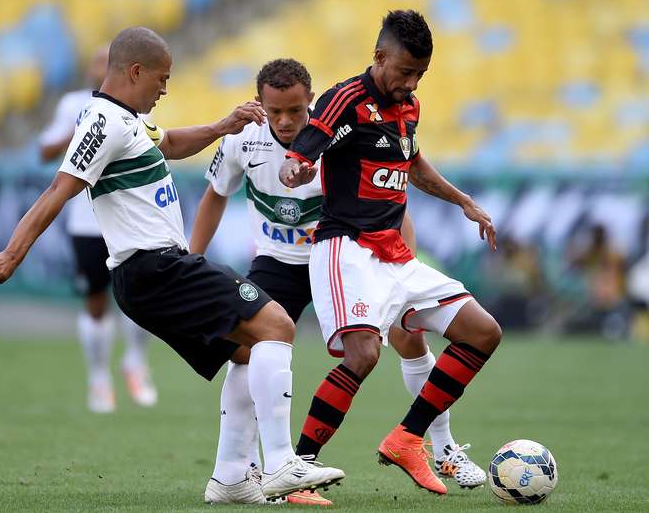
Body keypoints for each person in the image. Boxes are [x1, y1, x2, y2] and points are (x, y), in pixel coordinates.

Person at [0, 26, 344, 502]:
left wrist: (221, 126)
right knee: (277, 326)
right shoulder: (102, 121)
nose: (165, 89)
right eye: (162, 79)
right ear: (135, 71)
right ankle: (282, 462)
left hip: (153, 273)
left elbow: (169, 145)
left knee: (249, 350)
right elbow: (59, 189)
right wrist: (13, 252)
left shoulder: (127, 120)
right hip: (154, 267)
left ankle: (230, 478)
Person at [191, 58, 485, 505]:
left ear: (311, 101)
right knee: (248, 353)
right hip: (279, 262)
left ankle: (442, 447)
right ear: (260, 106)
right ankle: (244, 468)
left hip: (346, 256)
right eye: (275, 112)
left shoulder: (335, 134)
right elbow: (215, 196)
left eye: (295, 110)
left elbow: (391, 199)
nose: (286, 121)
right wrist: (192, 258)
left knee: (412, 339)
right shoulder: (241, 141)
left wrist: (400, 263)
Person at [279, 10, 502, 495]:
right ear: (379, 57)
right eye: (405, 71)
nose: (411, 82)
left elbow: (412, 161)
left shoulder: (409, 106)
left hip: (396, 255)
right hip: (347, 250)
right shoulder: (347, 100)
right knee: (363, 354)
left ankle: (408, 438)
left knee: (483, 332)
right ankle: (297, 468)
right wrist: (294, 170)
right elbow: (303, 151)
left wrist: (463, 201)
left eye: (420, 73)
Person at [39, 44, 157, 412]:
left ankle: (135, 361)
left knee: (144, 299)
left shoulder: (133, 107)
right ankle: (99, 378)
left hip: (127, 220)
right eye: (96, 61)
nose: (101, 67)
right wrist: (79, 133)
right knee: (95, 300)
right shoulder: (74, 105)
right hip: (87, 223)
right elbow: (44, 151)